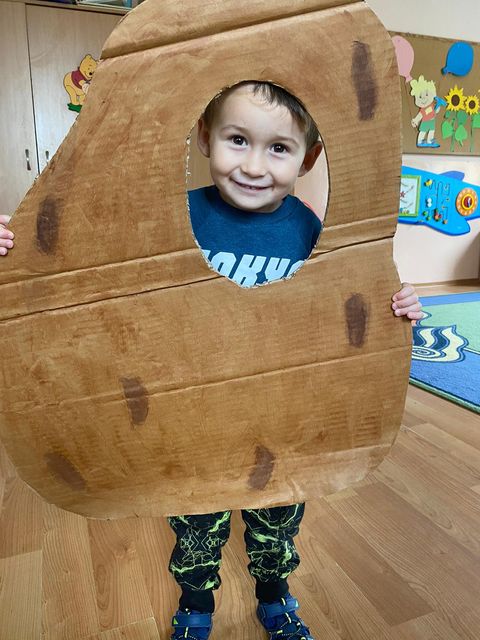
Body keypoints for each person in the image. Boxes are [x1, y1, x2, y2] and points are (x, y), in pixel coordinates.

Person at [0, 81, 423, 640]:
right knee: (196, 527)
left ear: (309, 157)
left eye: (279, 148)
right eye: (237, 139)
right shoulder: (172, 219)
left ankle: (275, 598)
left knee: (278, 524)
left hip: (280, 418)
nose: (253, 165)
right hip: (192, 421)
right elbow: (86, 265)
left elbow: (351, 308)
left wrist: (399, 306)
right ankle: (195, 607)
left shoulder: (313, 234)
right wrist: (16, 247)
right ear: (203, 136)